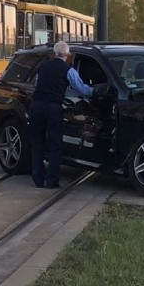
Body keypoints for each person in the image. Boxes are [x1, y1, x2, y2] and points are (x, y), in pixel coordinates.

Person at [29, 41, 93, 189]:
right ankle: (52, 180)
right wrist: (95, 91)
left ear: (54, 53)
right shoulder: (68, 70)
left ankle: (38, 179)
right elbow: (82, 89)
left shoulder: (43, 66)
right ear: (68, 55)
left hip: (37, 106)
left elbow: (37, 84)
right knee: (55, 144)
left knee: (37, 143)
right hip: (53, 107)